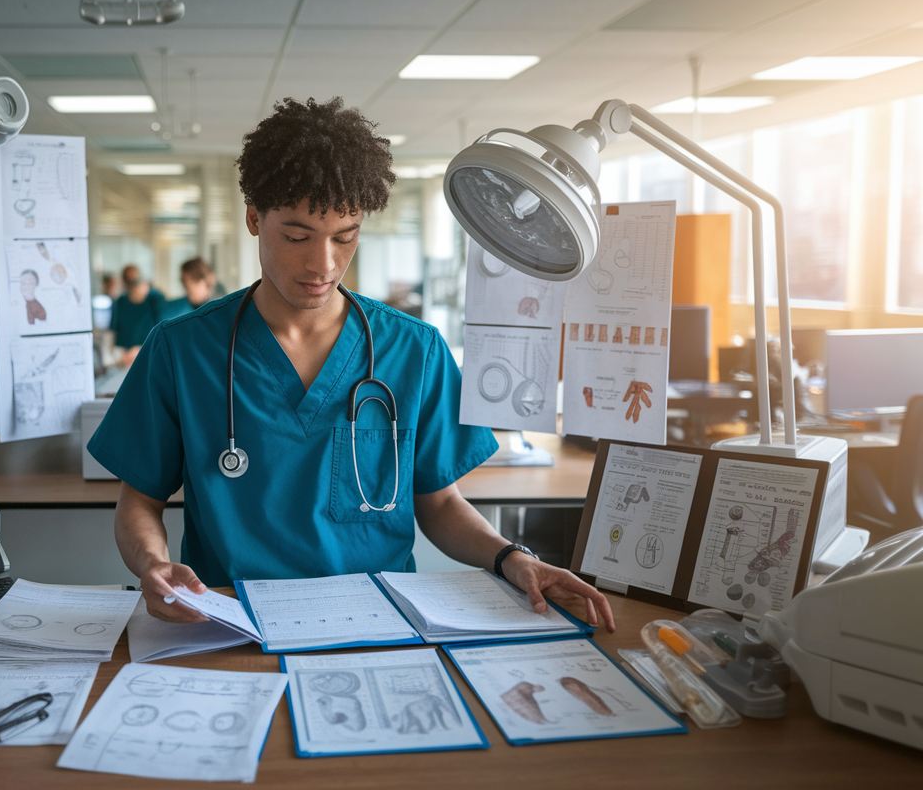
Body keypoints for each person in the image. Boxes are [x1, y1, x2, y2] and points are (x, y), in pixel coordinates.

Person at [88, 97, 614, 632]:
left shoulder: (414, 350)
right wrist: (154, 564)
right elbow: (140, 502)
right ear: (253, 216)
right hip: (231, 626)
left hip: (377, 626)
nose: (324, 264)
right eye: (297, 237)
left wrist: (510, 557)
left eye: (346, 236)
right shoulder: (182, 350)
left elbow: (439, 503)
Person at [109, 265, 165, 367]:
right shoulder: (121, 301)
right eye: (129, 281)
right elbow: (113, 330)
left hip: (148, 353)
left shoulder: (155, 299)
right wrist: (116, 355)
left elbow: (161, 330)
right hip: (124, 357)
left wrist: (140, 349)